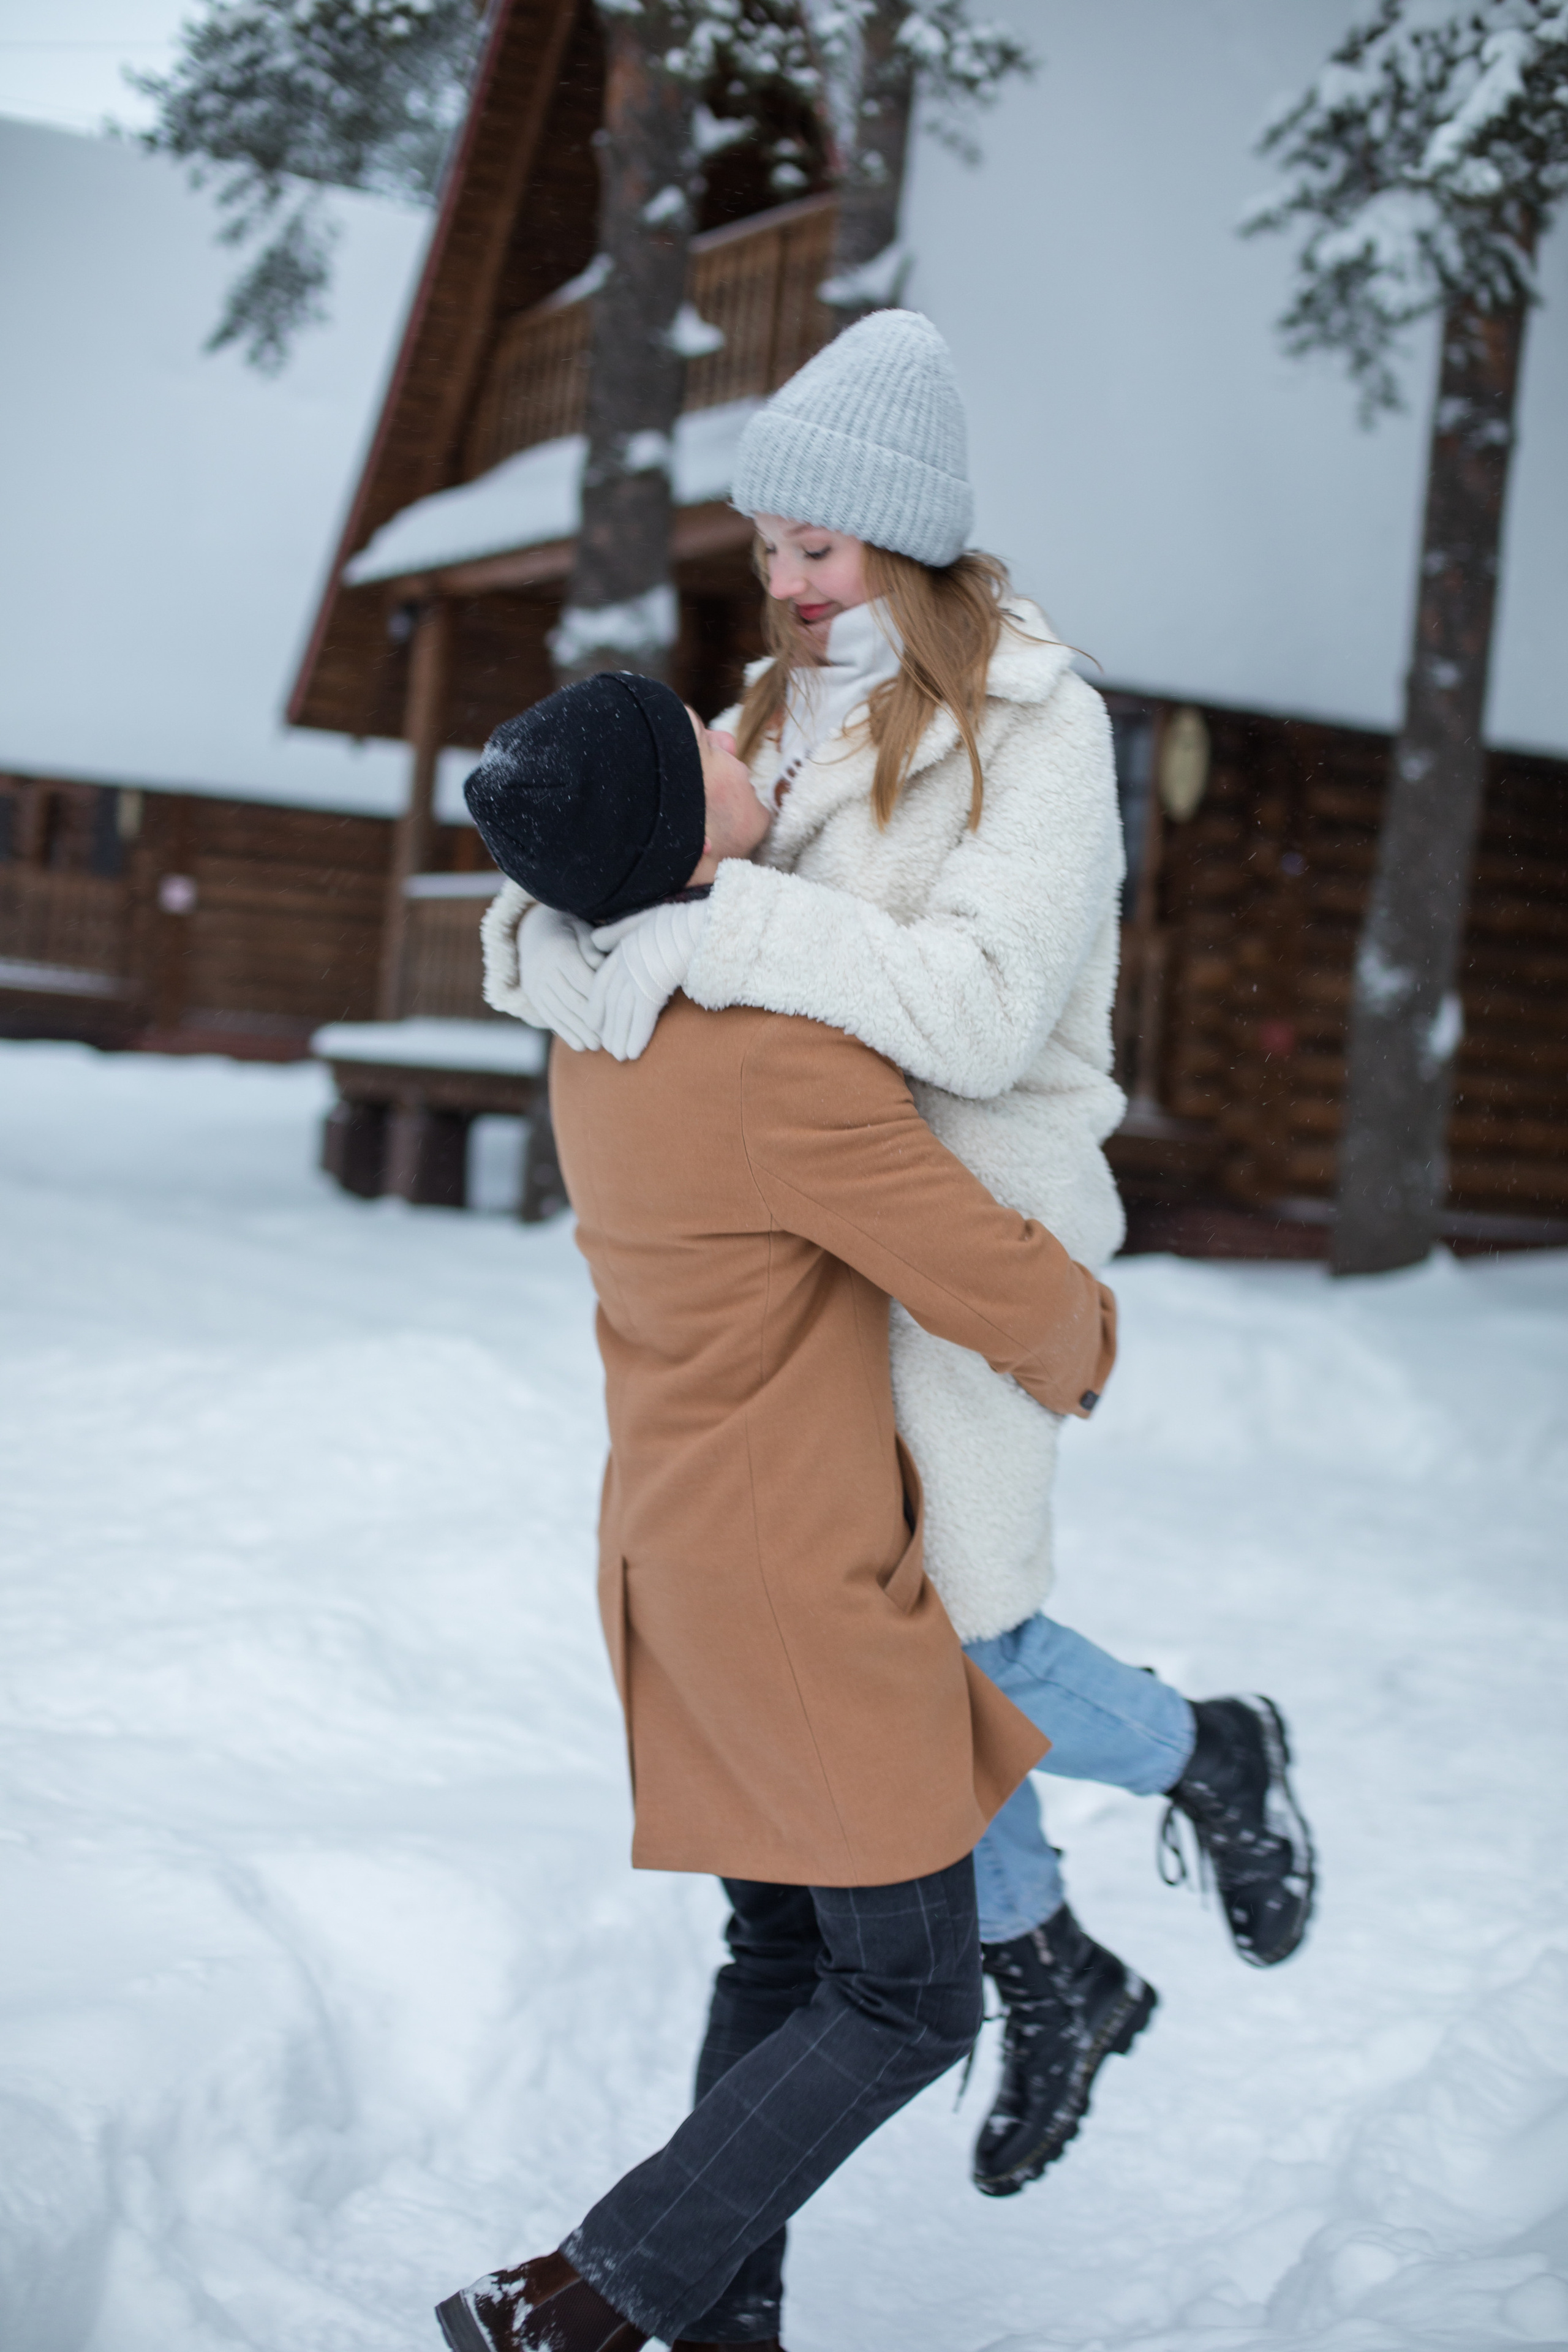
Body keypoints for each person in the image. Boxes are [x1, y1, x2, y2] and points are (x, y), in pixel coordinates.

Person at [486, 309, 1316, 2199]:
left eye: (817, 550)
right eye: (767, 548)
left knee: (963, 1628)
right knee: (890, 1654)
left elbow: (983, 1006)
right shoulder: (775, 715)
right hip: (812, 1245)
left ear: (914, 540)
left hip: (965, 1229)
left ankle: (1206, 1756)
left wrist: (724, 938)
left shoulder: (1041, 727)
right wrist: (565, 939)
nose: (778, 588)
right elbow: (635, 879)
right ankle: (1054, 1971)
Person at [439, 668, 1118, 2352]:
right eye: (710, 749)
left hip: (674, 1553)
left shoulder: (598, 1026)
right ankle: (595, 2292)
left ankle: (721, 2323)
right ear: (685, 832)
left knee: (780, 1956)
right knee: (905, 1994)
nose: (742, 745)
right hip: (795, 1583)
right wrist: (1085, 1333)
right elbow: (971, 1267)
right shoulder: (757, 1054)